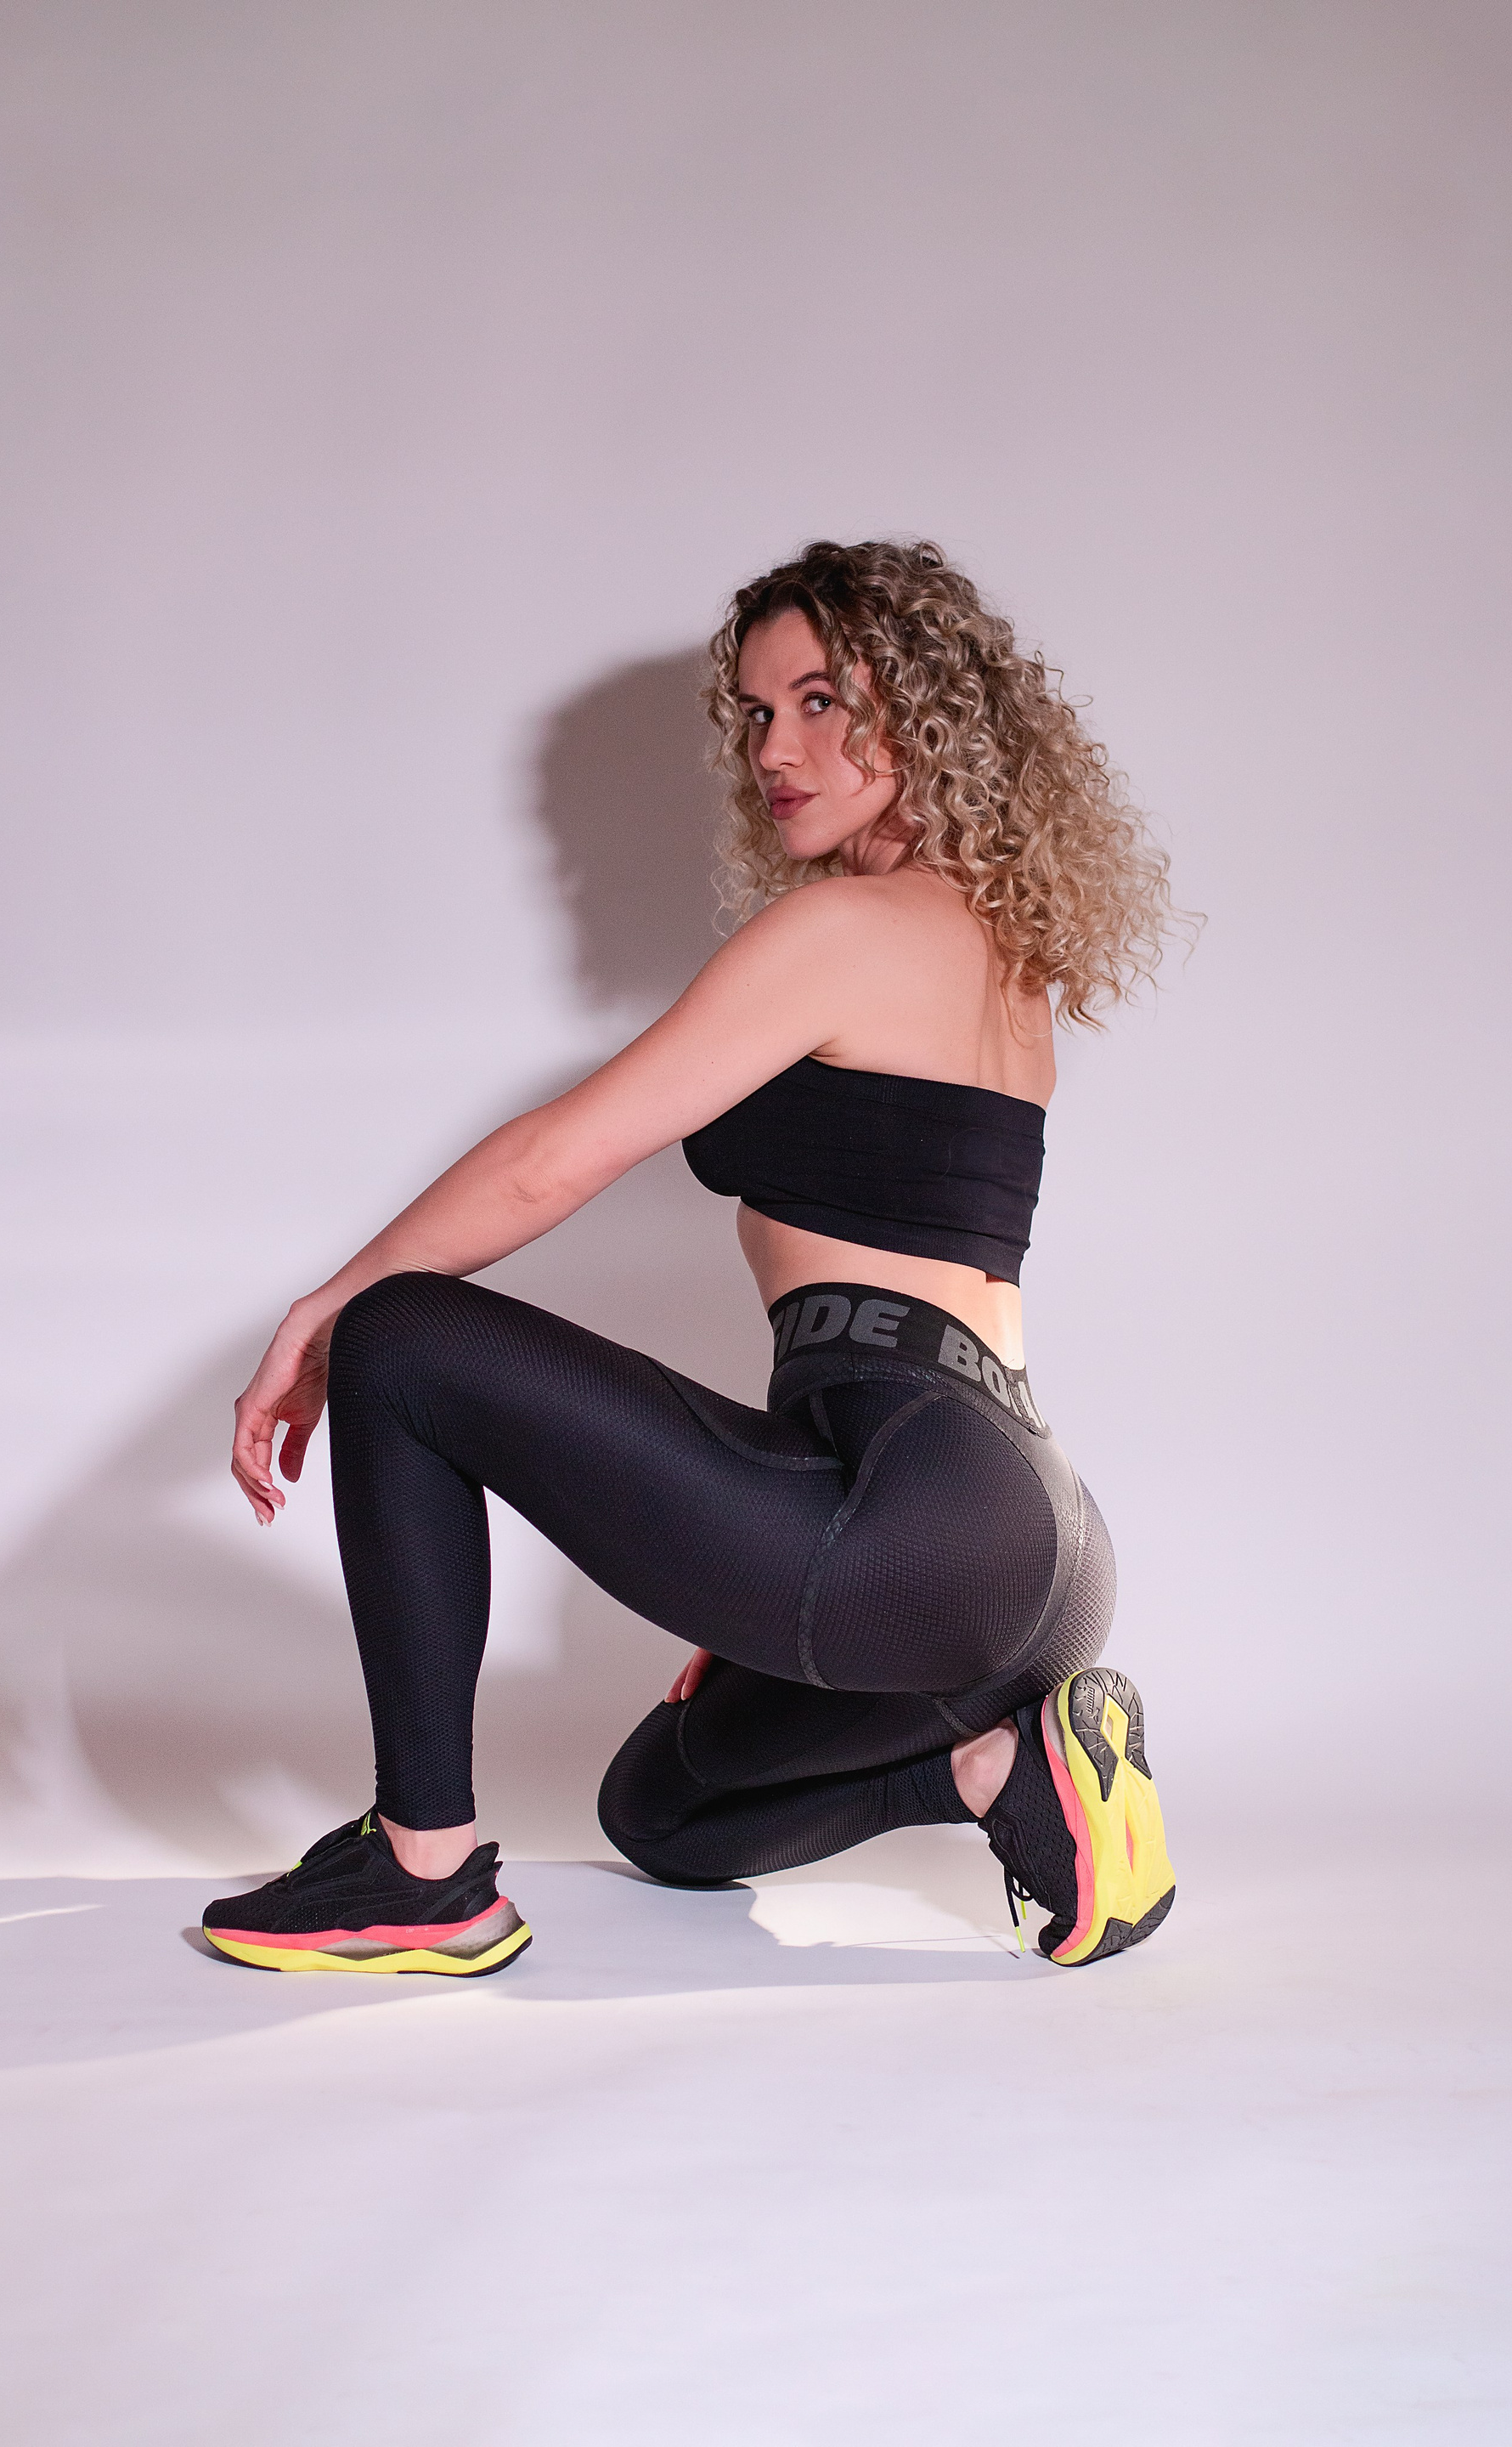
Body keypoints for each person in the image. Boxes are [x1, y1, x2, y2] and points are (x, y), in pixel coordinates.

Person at [206, 539, 1183, 1979]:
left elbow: (552, 1162)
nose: (776, 748)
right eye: (758, 713)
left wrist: (324, 1314)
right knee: (660, 1815)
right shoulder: (999, 952)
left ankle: (422, 1875)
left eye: (822, 700)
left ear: (925, 706)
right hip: (1033, 1547)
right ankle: (1002, 1767)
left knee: (403, 1337)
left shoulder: (843, 930)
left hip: (914, 1520)